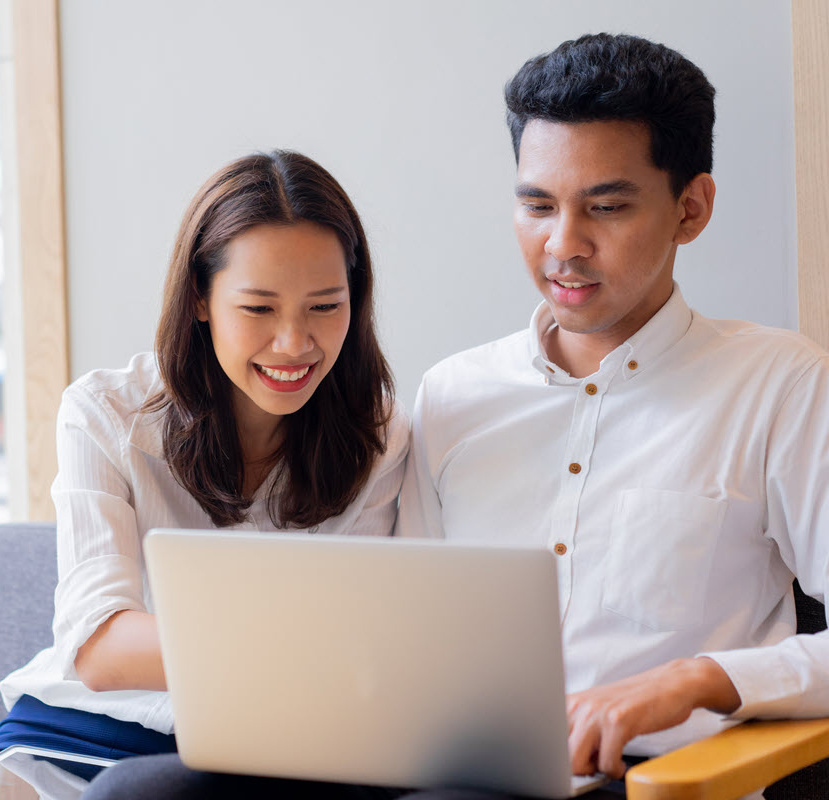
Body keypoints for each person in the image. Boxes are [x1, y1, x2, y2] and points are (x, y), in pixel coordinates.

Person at [85, 33, 829, 800]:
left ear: (691, 208)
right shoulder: (455, 395)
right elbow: (400, 631)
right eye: (537, 205)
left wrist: (698, 681)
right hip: (441, 765)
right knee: (133, 795)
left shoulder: (778, 384)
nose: (562, 244)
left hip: (650, 776)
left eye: (605, 207)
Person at [0, 149, 410, 783]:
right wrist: (303, 647)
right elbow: (100, 650)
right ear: (200, 298)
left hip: (255, 748)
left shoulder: (378, 434)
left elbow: (358, 651)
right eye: (258, 309)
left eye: (325, 306)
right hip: (78, 723)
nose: (294, 343)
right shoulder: (105, 412)